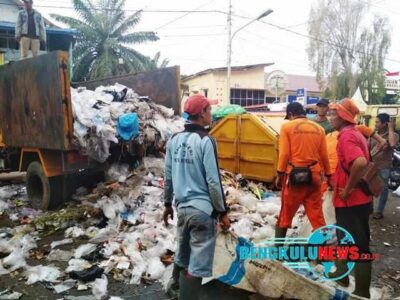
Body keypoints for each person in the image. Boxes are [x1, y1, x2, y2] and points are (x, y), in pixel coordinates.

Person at [163, 94, 230, 300]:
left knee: (183, 255)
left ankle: (174, 288)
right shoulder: (206, 141)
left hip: (182, 209)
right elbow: (213, 181)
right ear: (202, 113)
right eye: (209, 111)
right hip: (202, 211)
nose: (211, 114)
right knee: (197, 267)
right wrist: (222, 212)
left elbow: (168, 175)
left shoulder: (174, 140)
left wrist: (167, 204)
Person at [328, 98, 372, 298]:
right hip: (360, 199)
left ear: (343, 116)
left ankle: (362, 291)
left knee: (359, 245)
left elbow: (360, 162)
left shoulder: (347, 137)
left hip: (351, 201)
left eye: (333, 114)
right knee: (346, 238)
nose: (330, 117)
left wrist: (346, 189)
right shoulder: (355, 133)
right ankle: (341, 274)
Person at [275, 102, 333, 241]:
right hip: (314, 176)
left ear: (290, 114)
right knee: (316, 215)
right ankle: (320, 254)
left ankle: (278, 252)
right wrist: (329, 176)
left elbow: (284, 154)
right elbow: (324, 155)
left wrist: (280, 174)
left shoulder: (287, 127)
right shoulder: (319, 129)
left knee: (285, 214)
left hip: (295, 177)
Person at [370, 113, 399, 219]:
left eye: (377, 122)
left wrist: (391, 128)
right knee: (369, 187)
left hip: (384, 166)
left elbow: (391, 144)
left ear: (384, 124)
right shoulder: (373, 134)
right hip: (372, 165)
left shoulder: (393, 135)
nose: (375, 124)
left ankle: (379, 211)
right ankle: (370, 208)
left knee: (383, 189)